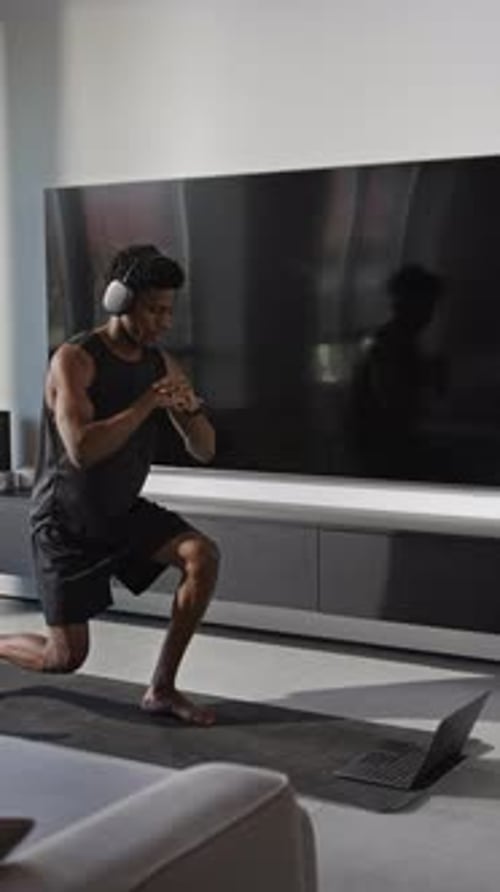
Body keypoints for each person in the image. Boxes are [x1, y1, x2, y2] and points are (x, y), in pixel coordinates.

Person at [0, 243, 219, 726]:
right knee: (64, 657)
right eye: (154, 310)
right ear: (119, 300)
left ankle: (162, 689)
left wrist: (190, 411)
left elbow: (205, 450)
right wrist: (147, 404)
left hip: (119, 511)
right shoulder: (75, 359)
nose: (164, 322)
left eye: (169, 311)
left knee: (201, 555)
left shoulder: (161, 364)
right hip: (66, 522)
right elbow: (83, 449)